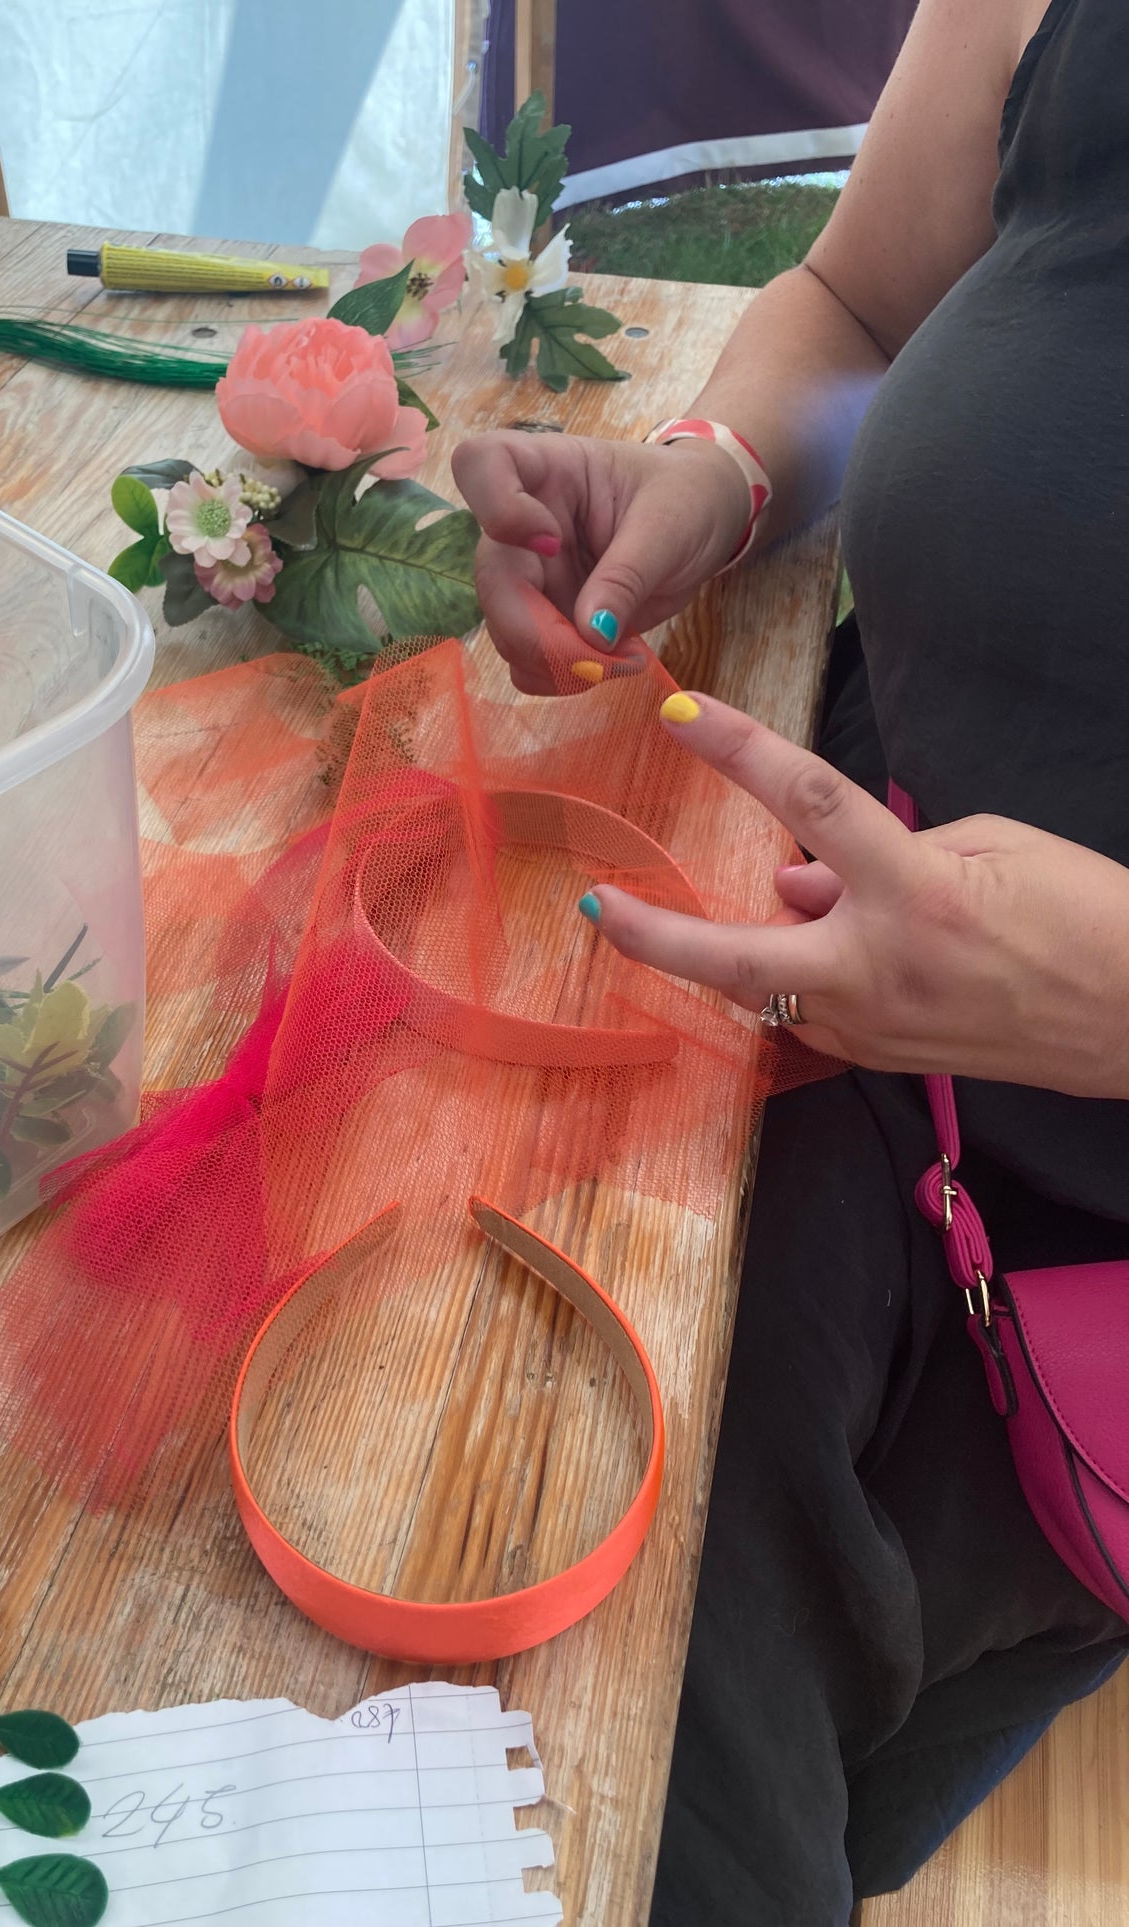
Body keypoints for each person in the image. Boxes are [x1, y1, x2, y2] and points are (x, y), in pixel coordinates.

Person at [452, 0, 1129, 1920]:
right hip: (825, 1085)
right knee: (547, 1747)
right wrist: (717, 478)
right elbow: (851, 307)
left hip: (1088, 1339)